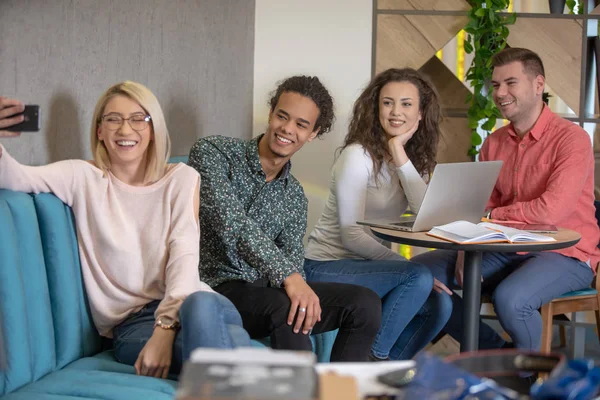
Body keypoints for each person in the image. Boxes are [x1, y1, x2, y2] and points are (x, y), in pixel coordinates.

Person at [0, 84, 251, 378]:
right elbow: (13, 177)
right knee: (227, 349)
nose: (125, 129)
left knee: (201, 307)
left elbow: (184, 254)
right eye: (113, 119)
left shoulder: (182, 178)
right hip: (133, 325)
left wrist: (165, 329)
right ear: (99, 131)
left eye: (137, 119)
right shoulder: (81, 177)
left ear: (153, 129)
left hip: (197, 305)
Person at [412, 48, 600, 351]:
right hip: (504, 248)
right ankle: (495, 355)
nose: (500, 93)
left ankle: (528, 380)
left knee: (511, 300)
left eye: (511, 83)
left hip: (566, 253)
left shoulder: (572, 139)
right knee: (415, 276)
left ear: (538, 84)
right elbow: (479, 207)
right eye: (496, 85)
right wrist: (464, 246)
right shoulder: (494, 142)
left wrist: (491, 216)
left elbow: (551, 211)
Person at [187, 76, 382, 362]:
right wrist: (289, 278)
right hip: (212, 287)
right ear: (271, 114)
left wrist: (297, 282)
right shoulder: (214, 153)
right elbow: (231, 223)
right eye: (282, 116)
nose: (287, 129)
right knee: (285, 309)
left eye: (301, 125)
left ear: (313, 133)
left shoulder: (294, 197)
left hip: (262, 294)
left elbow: (291, 259)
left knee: (364, 304)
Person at [303, 68, 453, 361]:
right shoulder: (356, 157)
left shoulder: (411, 161)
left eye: (406, 104)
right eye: (387, 102)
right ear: (376, 108)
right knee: (418, 277)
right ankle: (370, 362)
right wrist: (405, 267)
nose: (396, 112)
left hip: (370, 268)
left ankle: (387, 373)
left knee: (440, 306)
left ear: (421, 113)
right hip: (325, 265)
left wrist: (398, 151)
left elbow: (426, 216)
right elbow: (351, 235)